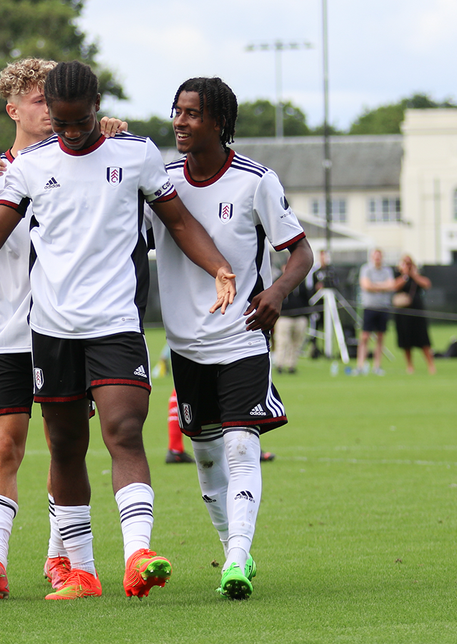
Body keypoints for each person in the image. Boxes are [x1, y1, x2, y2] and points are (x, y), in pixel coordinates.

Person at [0, 61, 236, 601]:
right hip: (51, 330)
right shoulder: (30, 167)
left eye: (80, 120)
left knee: (124, 431)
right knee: (64, 447)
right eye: (60, 122)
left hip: (115, 325)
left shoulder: (134, 153)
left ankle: (138, 555)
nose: (70, 131)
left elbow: (178, 222)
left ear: (96, 106)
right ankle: (81, 571)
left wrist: (220, 266)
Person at [0, 58, 127, 599]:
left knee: (66, 447)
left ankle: (60, 560)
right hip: (11, 334)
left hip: (72, 330)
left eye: (53, 100)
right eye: (39, 102)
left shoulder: (87, 156)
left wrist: (107, 134)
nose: (48, 110)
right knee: (4, 447)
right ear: (13, 109)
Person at [149, 77, 313, 600]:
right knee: (204, 456)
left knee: (241, 445)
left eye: (192, 113)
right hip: (185, 344)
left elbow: (302, 253)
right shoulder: (160, 178)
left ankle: (237, 558)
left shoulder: (255, 181)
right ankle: (231, 546)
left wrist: (279, 292)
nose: (179, 121)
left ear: (219, 122)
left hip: (242, 337)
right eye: (176, 111)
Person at [393, 255, 435, 374]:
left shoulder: (417, 274)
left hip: (417, 309)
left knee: (423, 338)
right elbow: (394, 286)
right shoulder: (398, 275)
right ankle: (410, 365)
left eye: (409, 263)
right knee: (406, 338)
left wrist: (413, 274)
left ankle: (430, 365)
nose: (408, 266)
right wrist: (405, 276)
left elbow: (426, 284)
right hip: (402, 311)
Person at [356, 248, 395, 375]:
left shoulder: (387, 270)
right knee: (365, 337)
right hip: (369, 307)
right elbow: (366, 285)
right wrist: (381, 286)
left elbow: (391, 285)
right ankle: (360, 366)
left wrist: (375, 286)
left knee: (380, 337)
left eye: (379, 256)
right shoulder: (366, 269)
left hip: (383, 307)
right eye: (375, 256)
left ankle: (377, 367)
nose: (377, 258)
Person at [272, 269, 312, 374]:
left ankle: (291, 365)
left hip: (299, 317)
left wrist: (306, 314)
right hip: (284, 316)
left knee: (296, 343)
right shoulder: (279, 280)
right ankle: (279, 364)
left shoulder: (301, 281)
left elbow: (307, 298)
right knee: (282, 342)